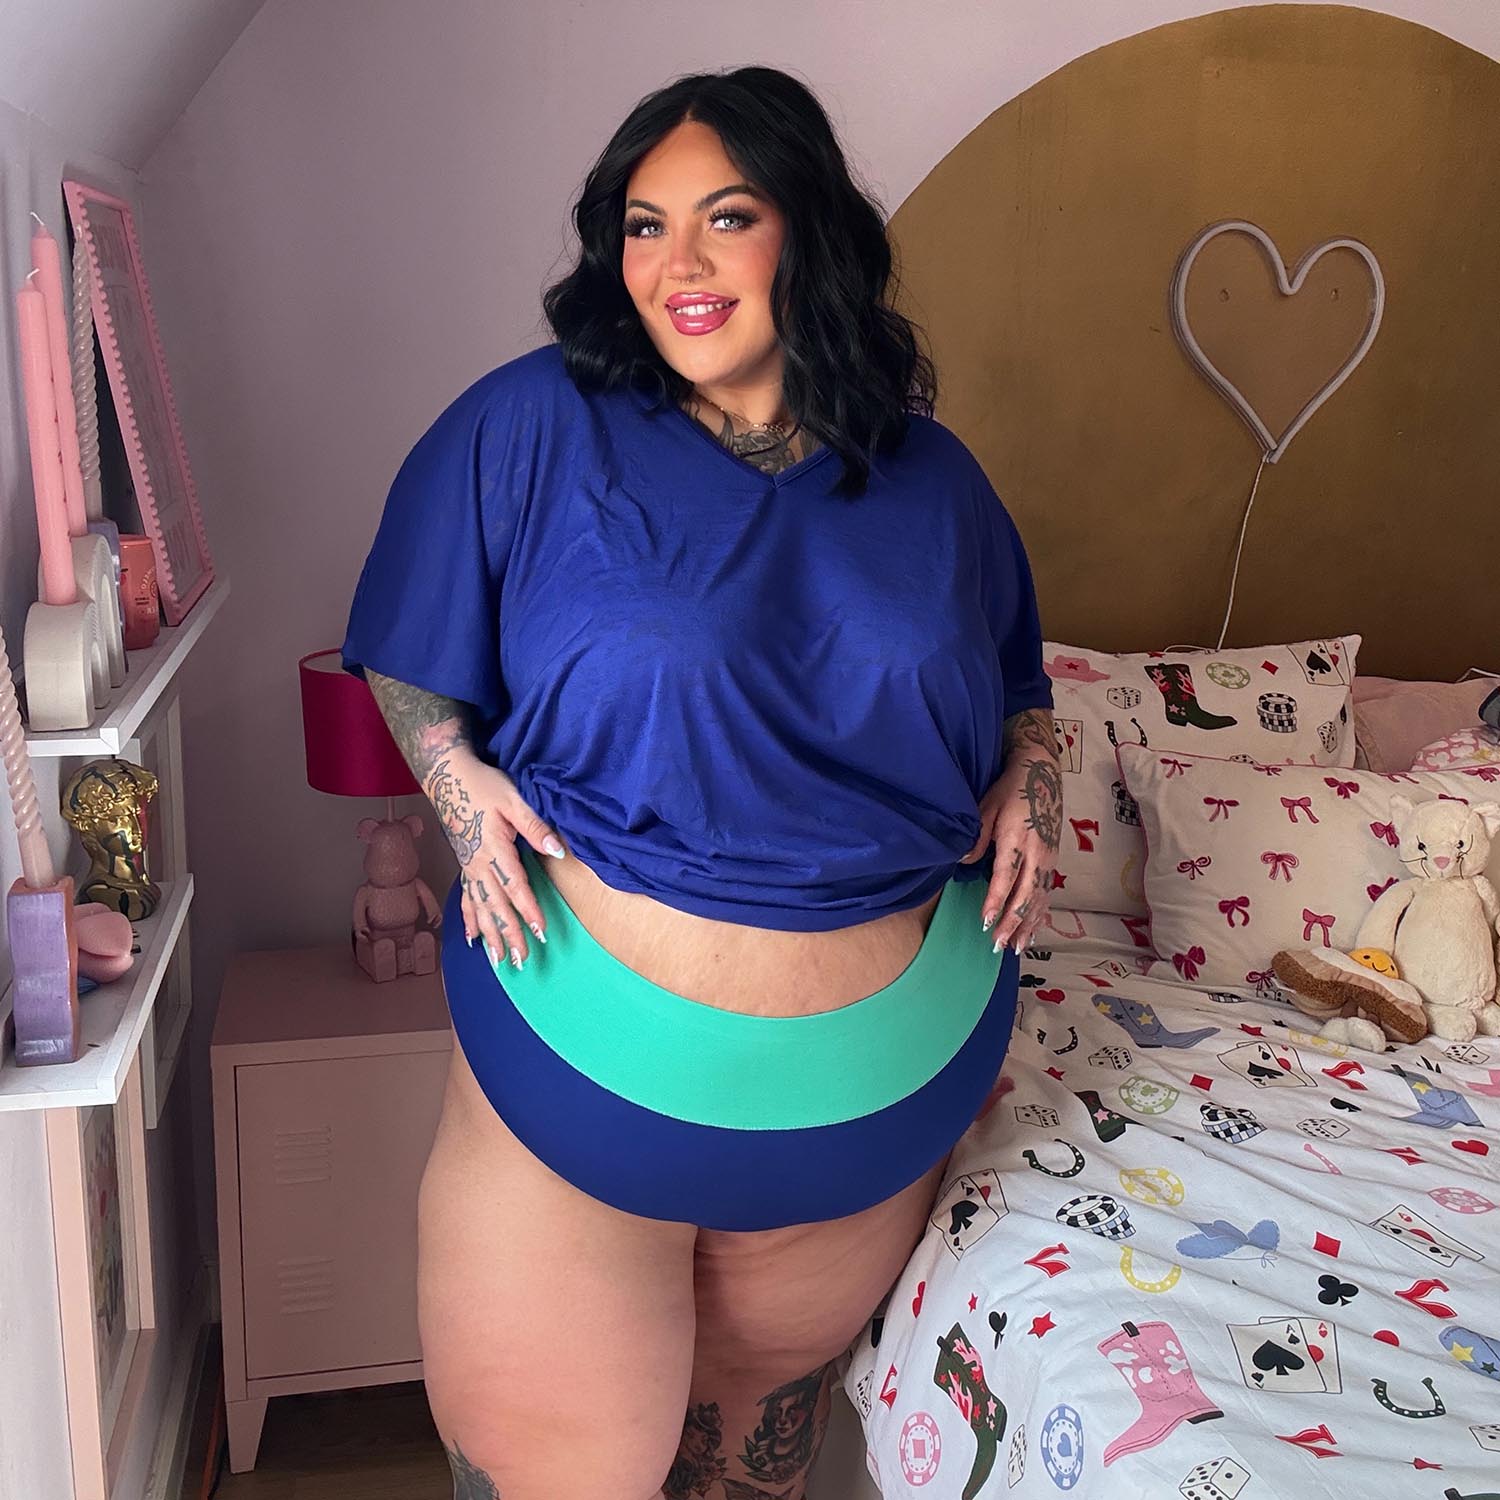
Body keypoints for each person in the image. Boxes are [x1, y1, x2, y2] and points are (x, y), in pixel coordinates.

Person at [340, 64, 1060, 1500]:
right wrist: (456, 784)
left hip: (862, 1113)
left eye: (726, 218)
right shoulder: (528, 427)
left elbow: (1019, 684)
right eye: (644, 224)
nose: (679, 263)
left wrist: (1034, 780)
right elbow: (410, 649)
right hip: (584, 1090)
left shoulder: (936, 480)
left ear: (808, 231)